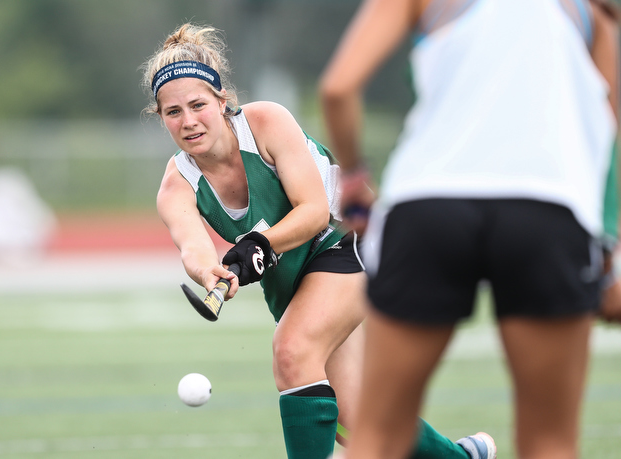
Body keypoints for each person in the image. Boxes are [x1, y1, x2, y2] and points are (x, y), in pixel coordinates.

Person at [142, 22, 496, 459]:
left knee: (292, 351)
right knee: (358, 418)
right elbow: (192, 246)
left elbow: (312, 211)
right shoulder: (176, 185)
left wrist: (261, 243)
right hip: (296, 279)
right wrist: (208, 271)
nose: (189, 121)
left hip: (348, 239)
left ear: (222, 100)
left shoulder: (266, 121)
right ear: (161, 119)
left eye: (198, 105)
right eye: (173, 113)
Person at [319, 0, 619, 458]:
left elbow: (338, 88)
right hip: (548, 212)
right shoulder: (593, 14)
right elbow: (608, 138)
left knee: (379, 436)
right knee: (550, 442)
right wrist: (612, 248)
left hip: (427, 208)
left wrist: (356, 178)